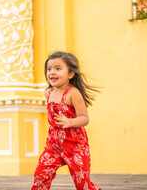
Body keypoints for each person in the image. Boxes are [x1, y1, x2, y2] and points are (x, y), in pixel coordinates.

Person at [31, 51, 101, 190]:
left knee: (82, 183)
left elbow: (84, 118)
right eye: (49, 69)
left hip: (75, 145)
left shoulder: (72, 93)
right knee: (41, 174)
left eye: (58, 68)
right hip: (54, 144)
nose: (52, 72)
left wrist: (70, 122)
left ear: (70, 74)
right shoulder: (48, 93)